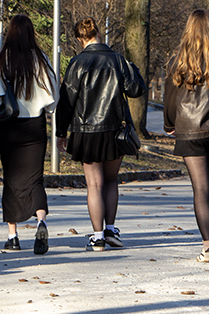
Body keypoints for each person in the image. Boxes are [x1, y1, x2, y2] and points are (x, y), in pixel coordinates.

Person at [57, 18, 146, 251]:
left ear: (80, 39)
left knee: (94, 185)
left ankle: (97, 237)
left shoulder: (77, 62)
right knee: (111, 181)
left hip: (87, 131)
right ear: (99, 33)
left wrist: (60, 132)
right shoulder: (118, 60)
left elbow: (66, 101)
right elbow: (136, 89)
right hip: (115, 129)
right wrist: (131, 66)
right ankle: (111, 229)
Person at [0, 15, 59, 255]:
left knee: (11, 179)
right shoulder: (40, 60)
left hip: (10, 128)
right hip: (35, 127)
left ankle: (12, 236)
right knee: (35, 179)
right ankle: (41, 221)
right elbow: (53, 94)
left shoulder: (3, 60)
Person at [163, 9, 209, 263]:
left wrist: (169, 124)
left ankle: (208, 246)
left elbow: (170, 97)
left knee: (200, 189)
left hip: (189, 129)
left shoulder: (178, 59)